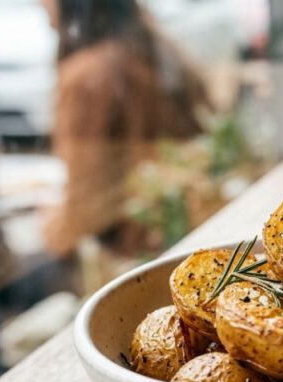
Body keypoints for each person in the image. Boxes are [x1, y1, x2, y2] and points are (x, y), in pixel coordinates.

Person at [39, 0, 210, 257]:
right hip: (184, 238)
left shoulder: (88, 76)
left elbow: (84, 209)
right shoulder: (163, 51)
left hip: (136, 253)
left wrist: (49, 230)